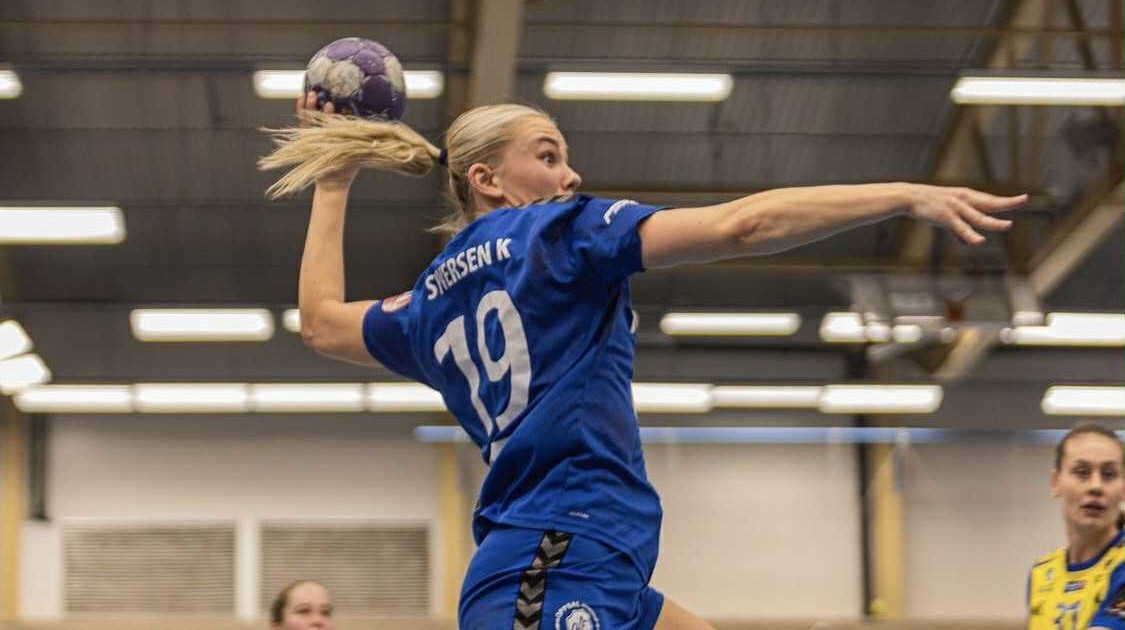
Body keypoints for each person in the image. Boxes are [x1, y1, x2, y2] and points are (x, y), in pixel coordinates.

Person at [260, 94, 1025, 630]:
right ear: (486, 181)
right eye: (548, 156)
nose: (569, 177)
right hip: (555, 551)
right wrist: (901, 194)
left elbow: (321, 323)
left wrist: (335, 178)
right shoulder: (558, 233)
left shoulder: (428, 298)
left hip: (587, 556)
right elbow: (745, 225)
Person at [1028, 424, 1125, 630]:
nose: (1095, 486)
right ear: (1056, 482)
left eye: (1108, 474)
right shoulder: (1042, 573)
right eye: (1082, 472)